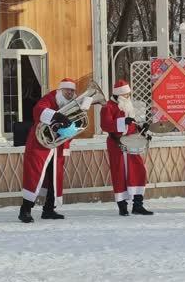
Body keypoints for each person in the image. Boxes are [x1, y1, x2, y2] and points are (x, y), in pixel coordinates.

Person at [18, 78, 92, 223]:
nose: (70, 93)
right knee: (34, 176)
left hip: (57, 146)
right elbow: (38, 110)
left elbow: (75, 125)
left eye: (72, 91)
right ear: (61, 90)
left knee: (54, 178)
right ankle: (25, 210)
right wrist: (56, 115)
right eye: (67, 90)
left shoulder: (73, 104)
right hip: (40, 144)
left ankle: (49, 209)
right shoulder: (50, 98)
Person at [100, 79, 153, 216]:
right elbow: (105, 125)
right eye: (125, 95)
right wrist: (122, 121)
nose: (128, 97)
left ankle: (138, 205)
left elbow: (132, 125)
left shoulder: (128, 106)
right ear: (118, 95)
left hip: (131, 143)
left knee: (139, 171)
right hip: (116, 144)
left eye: (129, 94)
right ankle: (122, 206)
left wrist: (142, 129)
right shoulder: (108, 107)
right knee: (119, 174)